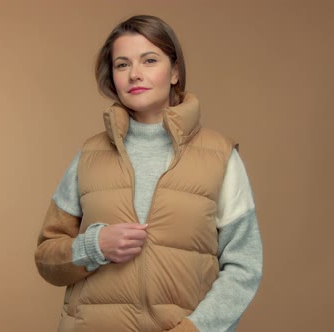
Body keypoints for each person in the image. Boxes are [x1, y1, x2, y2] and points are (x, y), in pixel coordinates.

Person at [35, 15, 262, 332]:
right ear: (111, 76)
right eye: (122, 65)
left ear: (175, 72)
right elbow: (47, 259)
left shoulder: (220, 155)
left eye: (149, 60)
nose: (134, 74)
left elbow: (244, 266)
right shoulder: (89, 155)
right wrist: (94, 246)